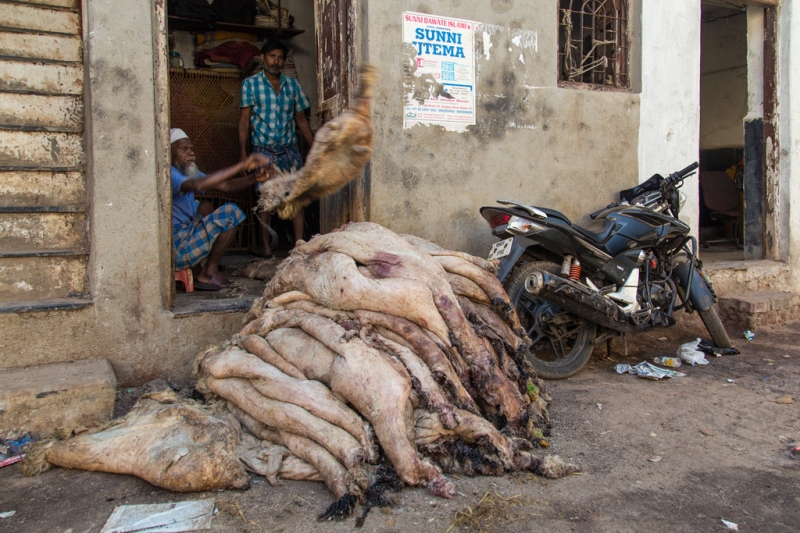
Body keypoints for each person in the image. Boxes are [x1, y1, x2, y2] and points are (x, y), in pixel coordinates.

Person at [239, 38, 314, 257]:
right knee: (266, 201)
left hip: (289, 149)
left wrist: (314, 147)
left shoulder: (292, 85)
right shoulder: (250, 84)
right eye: (272, 56)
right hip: (263, 151)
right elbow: (244, 120)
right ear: (263, 58)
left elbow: (301, 119)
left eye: (280, 57)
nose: (276, 61)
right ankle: (265, 247)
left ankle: (298, 246)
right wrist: (243, 153)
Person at [170, 128, 271, 291]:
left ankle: (201, 267)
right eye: (183, 149)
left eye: (191, 149)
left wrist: (253, 178)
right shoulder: (169, 173)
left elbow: (227, 185)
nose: (191, 153)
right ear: (169, 153)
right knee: (231, 212)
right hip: (177, 249)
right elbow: (198, 185)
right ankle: (208, 272)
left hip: (185, 236)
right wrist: (242, 165)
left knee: (205, 205)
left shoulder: (188, 173)